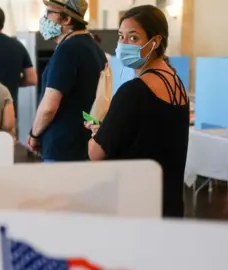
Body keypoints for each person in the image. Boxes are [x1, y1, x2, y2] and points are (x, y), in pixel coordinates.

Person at [86, 5, 190, 217]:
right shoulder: (177, 83)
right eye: (121, 37)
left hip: (136, 205)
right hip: (168, 202)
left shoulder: (133, 91)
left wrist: (97, 134)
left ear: (156, 42)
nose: (124, 44)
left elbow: (95, 153)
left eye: (133, 38)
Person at [26, 0, 107, 162]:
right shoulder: (94, 48)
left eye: (49, 13)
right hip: (84, 145)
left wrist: (34, 134)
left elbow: (49, 106)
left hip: (62, 149)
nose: (44, 18)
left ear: (67, 19)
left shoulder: (67, 51)